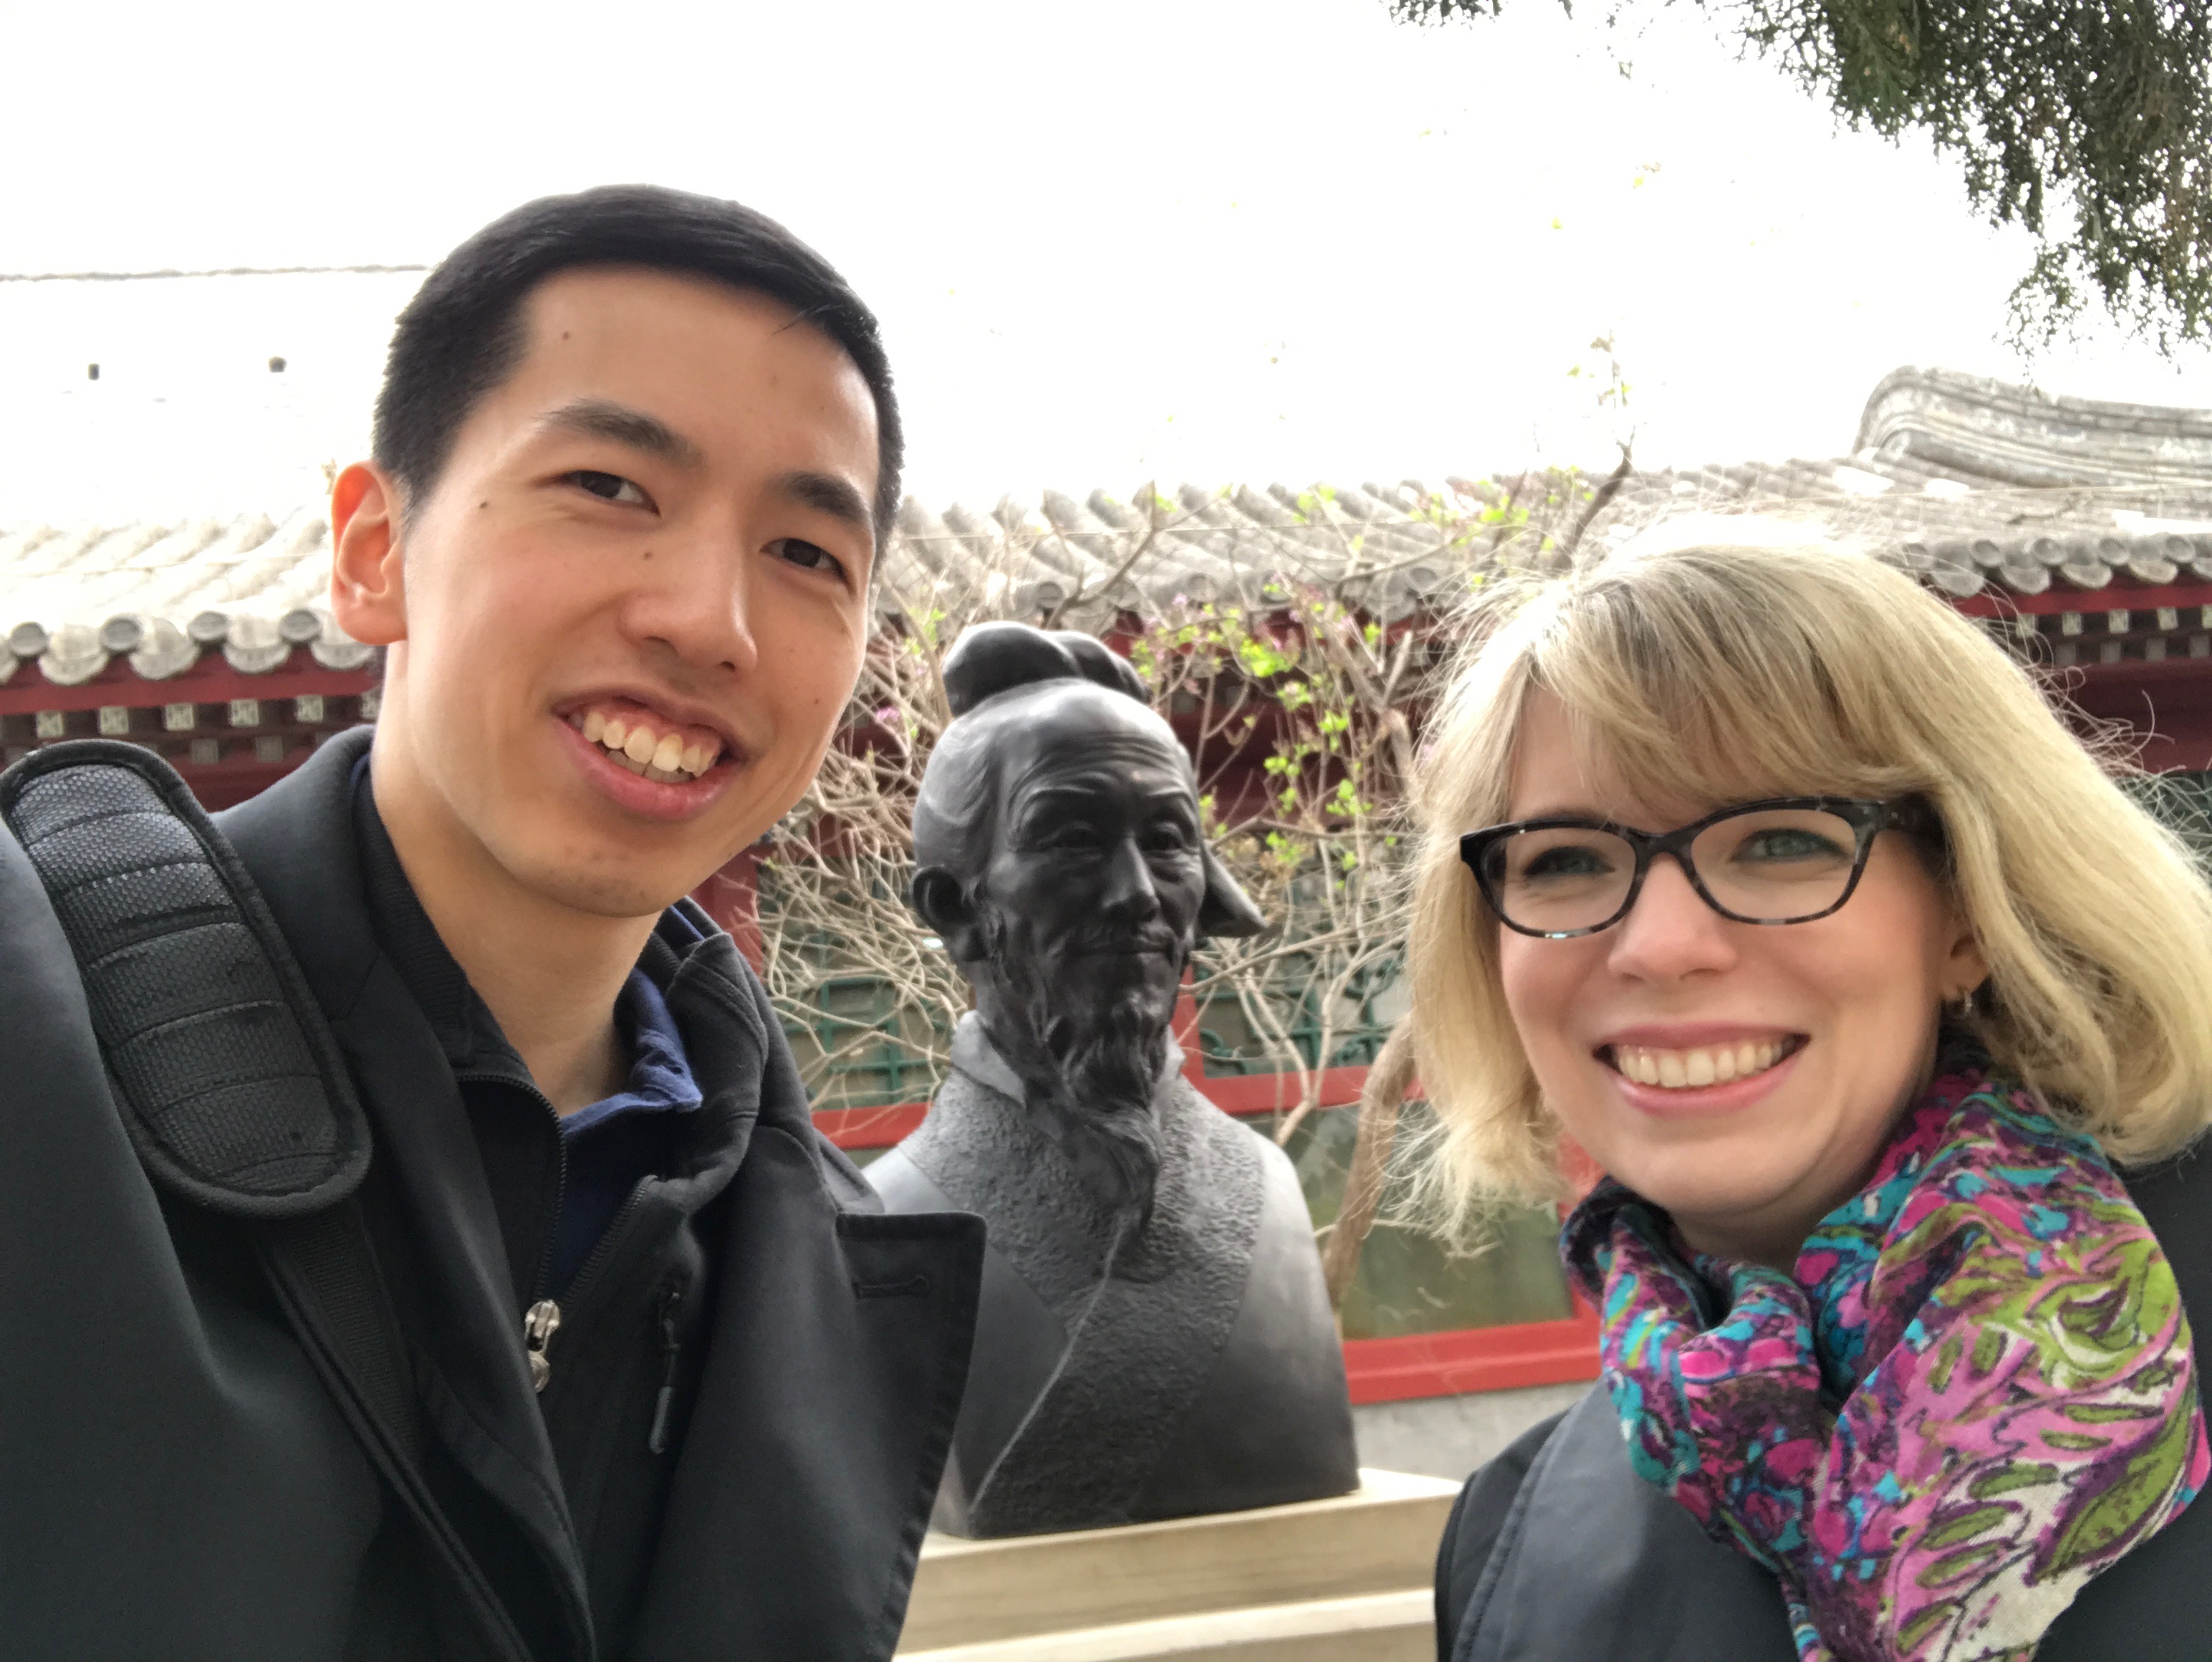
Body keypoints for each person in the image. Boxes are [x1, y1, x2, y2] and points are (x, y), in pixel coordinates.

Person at [0, 186, 982, 1661]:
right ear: (373, 549)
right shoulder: (43, 1055)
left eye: (805, 554)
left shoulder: (813, 1261)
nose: (708, 617)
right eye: (609, 485)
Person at [1412, 522, 2212, 1661]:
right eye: (1568, 859)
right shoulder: (1509, 1540)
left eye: (1781, 838)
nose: (1660, 945)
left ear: (1970, 911)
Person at [865, 621, 1360, 1537]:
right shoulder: (884, 1222)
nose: (1137, 891)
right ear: (955, 907)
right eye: (1072, 837)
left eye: (1168, 841)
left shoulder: (1264, 1188)